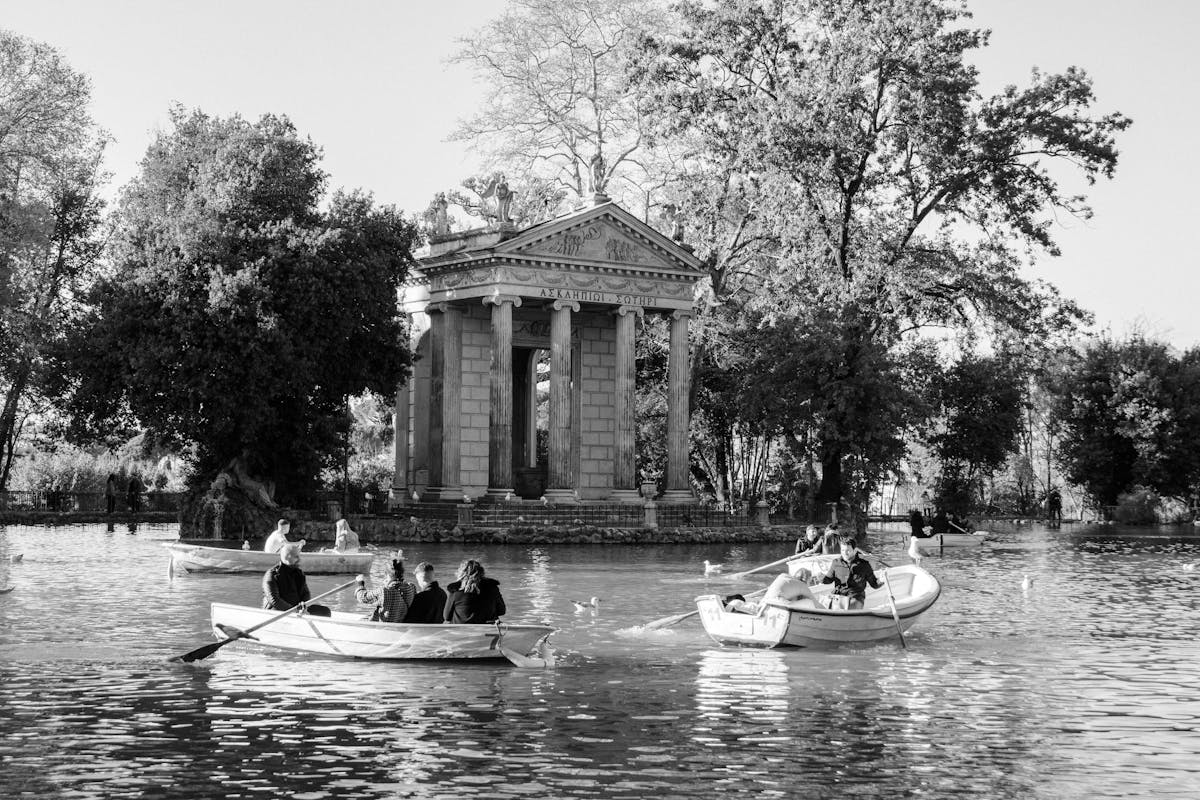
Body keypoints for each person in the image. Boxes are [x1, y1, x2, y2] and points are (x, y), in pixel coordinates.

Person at [262, 541, 330, 616]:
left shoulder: (299, 573)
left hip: (297, 610)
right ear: (287, 556)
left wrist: (304, 607)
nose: (300, 560)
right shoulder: (271, 575)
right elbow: (274, 601)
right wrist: (295, 611)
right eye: (296, 557)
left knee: (325, 611)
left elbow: (306, 594)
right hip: (277, 612)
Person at [818, 535, 882, 610]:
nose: (845, 553)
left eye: (848, 550)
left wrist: (881, 580)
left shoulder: (864, 565)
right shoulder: (836, 563)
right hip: (838, 596)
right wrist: (821, 578)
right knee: (821, 605)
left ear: (855, 551)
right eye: (842, 550)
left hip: (856, 597)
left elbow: (874, 584)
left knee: (848, 608)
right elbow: (829, 580)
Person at [443, 559, 506, 624]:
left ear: (461, 573)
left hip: (460, 631)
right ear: (482, 572)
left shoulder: (455, 590)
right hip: (486, 629)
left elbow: (446, 617)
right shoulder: (493, 588)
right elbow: (502, 611)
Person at [355, 557, 416, 622]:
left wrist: (360, 583)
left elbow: (362, 597)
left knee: (360, 620)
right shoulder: (411, 587)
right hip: (399, 624)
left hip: (382, 626)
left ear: (386, 574)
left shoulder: (384, 591)